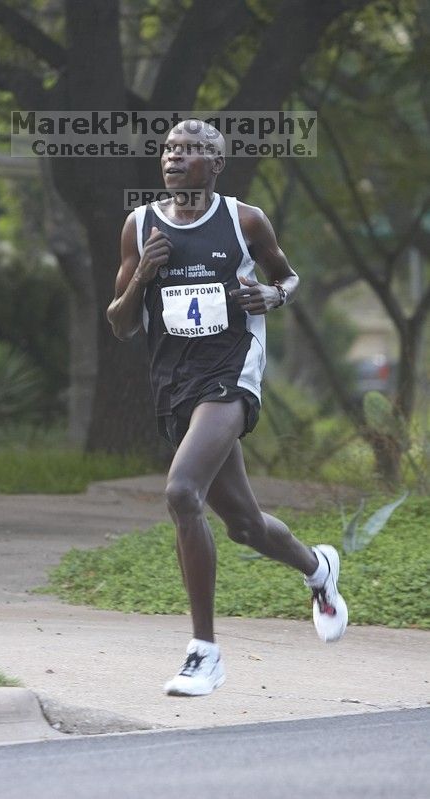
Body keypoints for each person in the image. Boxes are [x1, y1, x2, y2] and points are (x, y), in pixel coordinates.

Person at [107, 119, 348, 697]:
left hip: (232, 372)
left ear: (216, 165)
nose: (174, 159)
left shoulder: (244, 221)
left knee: (181, 492)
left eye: (191, 152)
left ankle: (204, 652)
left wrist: (272, 294)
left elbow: (288, 278)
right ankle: (318, 568)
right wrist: (142, 275)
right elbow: (118, 323)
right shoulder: (139, 226)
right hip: (175, 384)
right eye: (169, 151)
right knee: (242, 525)